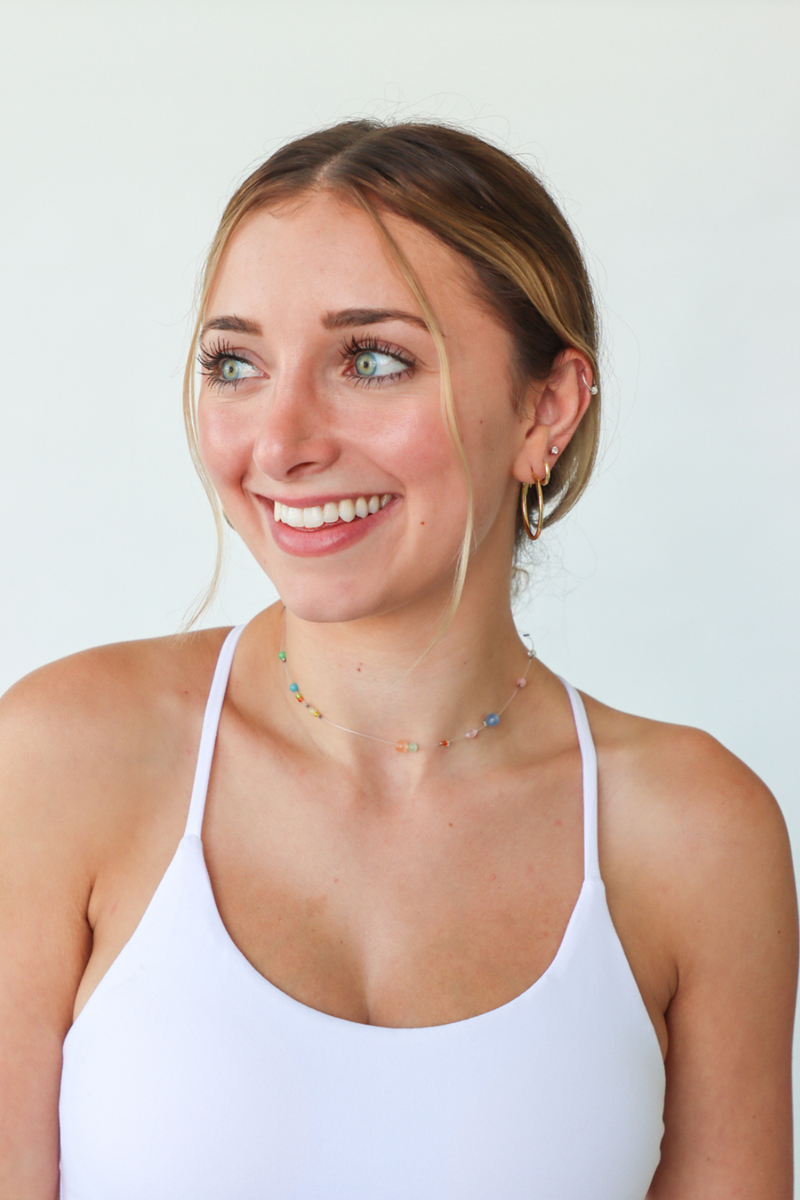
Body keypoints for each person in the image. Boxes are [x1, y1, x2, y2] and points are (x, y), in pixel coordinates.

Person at [0, 119, 796, 1200]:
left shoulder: (695, 834)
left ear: (543, 410)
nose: (278, 441)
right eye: (235, 363)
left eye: (371, 359)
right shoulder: (60, 760)